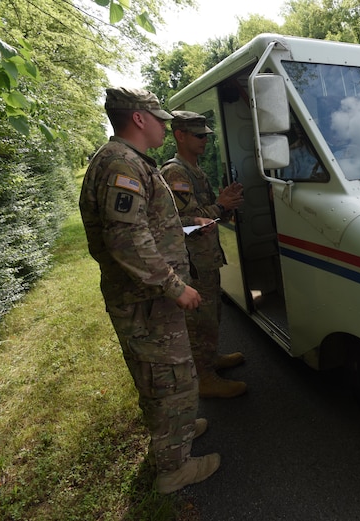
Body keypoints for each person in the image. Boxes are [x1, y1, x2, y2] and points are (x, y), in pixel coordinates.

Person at [78, 88, 219, 494]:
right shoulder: (121, 163)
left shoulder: (127, 161)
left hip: (147, 299)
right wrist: (175, 287)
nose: (164, 124)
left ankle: (177, 429)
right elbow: (127, 239)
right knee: (167, 379)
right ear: (138, 119)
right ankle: (174, 469)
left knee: (164, 378)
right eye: (158, 117)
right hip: (147, 302)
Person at [161, 111, 247, 398]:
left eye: (206, 136)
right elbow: (183, 221)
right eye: (198, 136)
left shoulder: (194, 170)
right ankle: (204, 379)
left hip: (205, 258)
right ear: (180, 135)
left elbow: (205, 214)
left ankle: (210, 361)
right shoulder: (175, 172)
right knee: (199, 321)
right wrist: (220, 207)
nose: (204, 141)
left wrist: (225, 204)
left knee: (212, 315)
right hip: (192, 263)